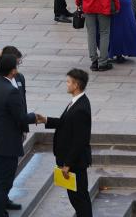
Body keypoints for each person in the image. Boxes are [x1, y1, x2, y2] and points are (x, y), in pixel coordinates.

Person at [0, 54, 41, 217]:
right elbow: (21, 117)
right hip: (6, 144)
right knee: (4, 183)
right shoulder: (11, 91)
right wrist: (35, 117)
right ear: (13, 71)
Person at [43, 69, 93, 217]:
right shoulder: (76, 102)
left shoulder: (80, 108)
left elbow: (80, 140)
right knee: (75, 198)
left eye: (69, 82)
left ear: (76, 84)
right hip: (71, 161)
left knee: (79, 198)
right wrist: (46, 120)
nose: (66, 84)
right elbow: (65, 123)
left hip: (75, 163)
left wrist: (68, 164)